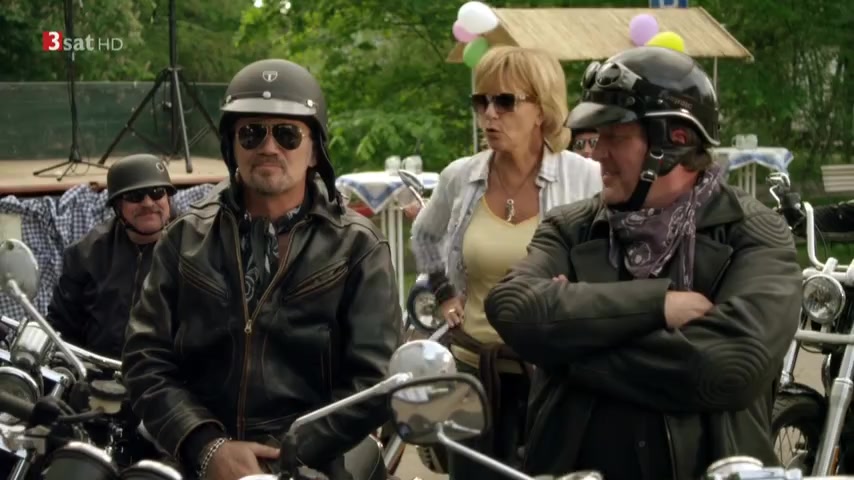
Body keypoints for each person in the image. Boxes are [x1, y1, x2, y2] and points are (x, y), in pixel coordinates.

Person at [484, 46, 802, 480]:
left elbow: (730, 367)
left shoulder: (754, 232)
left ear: (675, 140)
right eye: (596, 137)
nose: (596, 154)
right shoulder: (571, 227)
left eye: (615, 137)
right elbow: (512, 308)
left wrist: (564, 345)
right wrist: (659, 305)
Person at [121, 58, 402, 480]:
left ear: (314, 150)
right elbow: (145, 358)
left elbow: (374, 381)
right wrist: (206, 446)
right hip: (198, 459)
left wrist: (279, 456)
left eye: (287, 134)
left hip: (313, 463)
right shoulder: (184, 238)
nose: (269, 147)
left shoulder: (358, 247)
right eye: (252, 133)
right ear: (232, 145)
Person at [410, 46, 602, 479]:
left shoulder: (585, 178)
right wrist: (444, 293)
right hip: (470, 372)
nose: (489, 114)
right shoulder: (460, 176)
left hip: (554, 378)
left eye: (505, 101)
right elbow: (424, 235)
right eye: (481, 102)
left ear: (542, 110)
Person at [47, 153, 175, 359]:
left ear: (168, 198)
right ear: (117, 206)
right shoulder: (86, 254)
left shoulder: (194, 247)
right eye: (135, 196)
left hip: (174, 373)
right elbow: (61, 328)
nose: (148, 203)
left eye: (157, 193)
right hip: (102, 372)